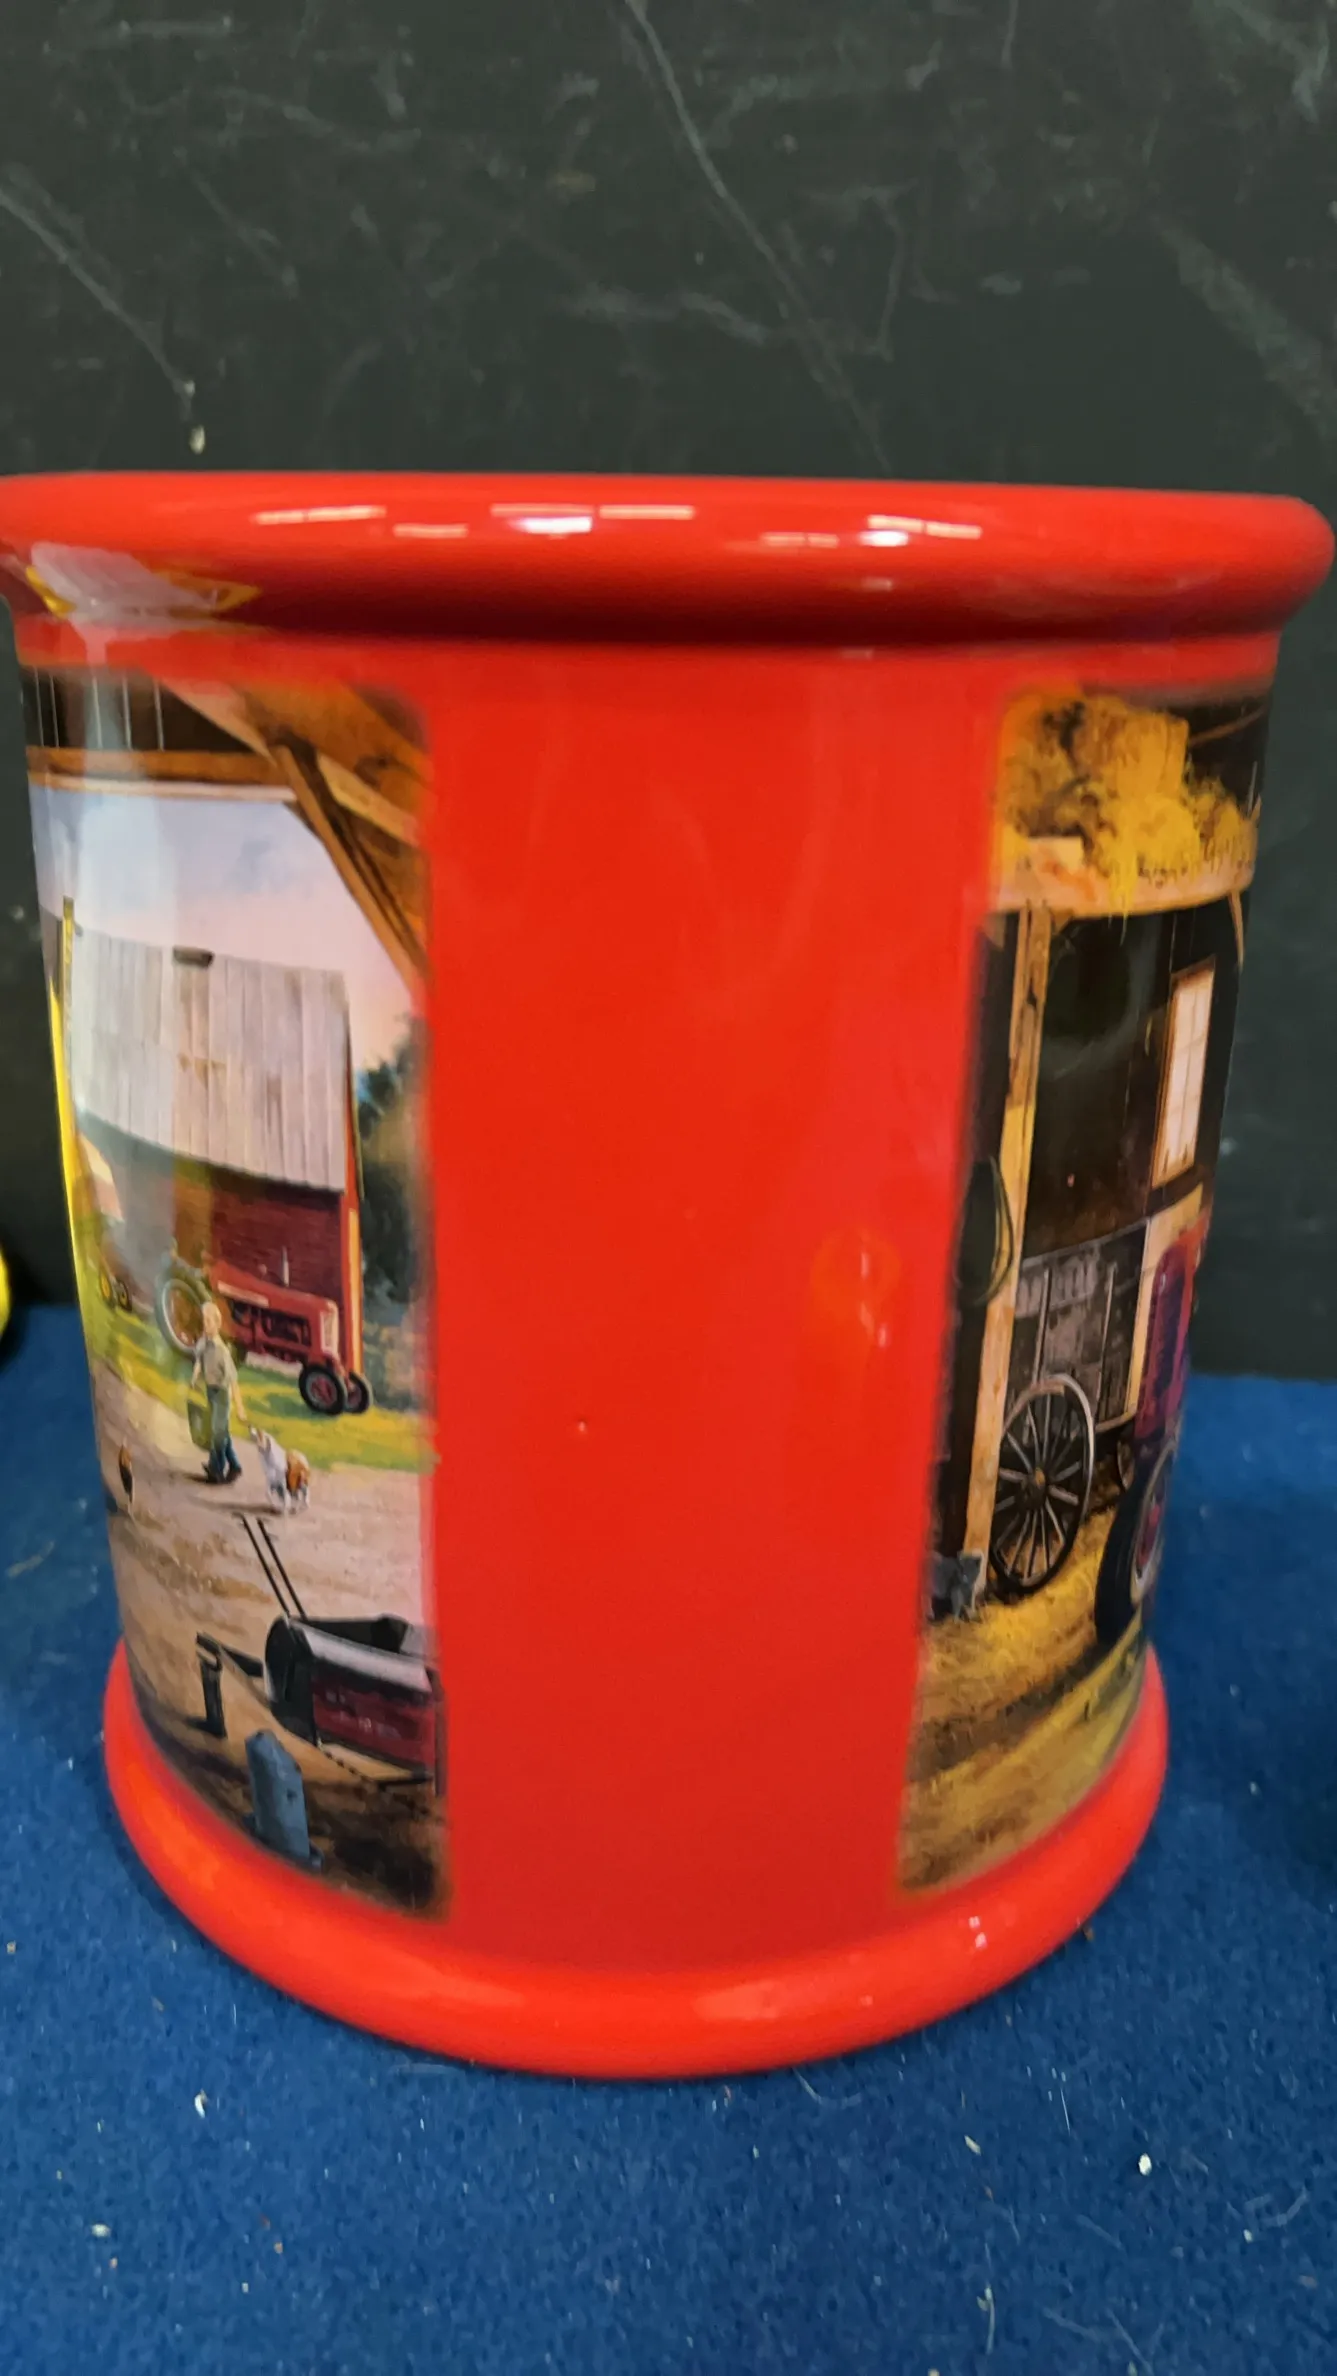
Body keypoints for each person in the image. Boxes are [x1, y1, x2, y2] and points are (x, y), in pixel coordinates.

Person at [192, 1299, 246, 1485]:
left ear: (217, 1323)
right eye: (204, 1320)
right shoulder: (203, 1343)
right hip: (210, 1390)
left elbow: (233, 1380)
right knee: (220, 1431)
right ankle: (235, 1466)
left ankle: (216, 1469)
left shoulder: (222, 1351)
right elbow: (199, 1360)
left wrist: (240, 1408)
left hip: (222, 1393)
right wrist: (195, 1377)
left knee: (217, 1432)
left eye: (209, 1321)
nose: (205, 1324)